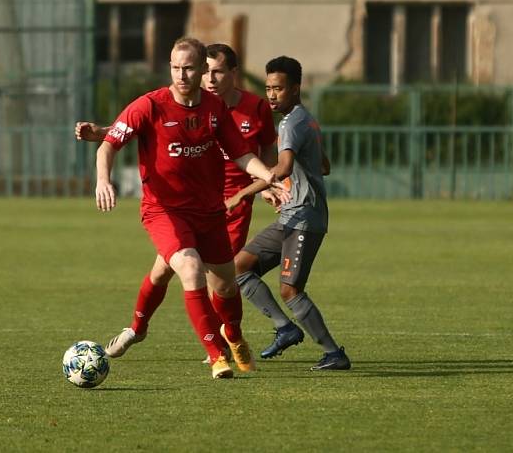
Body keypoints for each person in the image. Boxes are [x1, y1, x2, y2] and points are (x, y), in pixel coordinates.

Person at [76, 43, 295, 362]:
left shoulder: (215, 108)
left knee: (222, 285)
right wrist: (102, 179)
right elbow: (109, 145)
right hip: (164, 211)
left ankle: (226, 334)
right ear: (170, 67)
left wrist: (268, 176)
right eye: (176, 68)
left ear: (202, 71)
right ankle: (216, 354)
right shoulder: (149, 105)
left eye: (189, 68)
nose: (182, 74)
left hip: (210, 211)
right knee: (190, 270)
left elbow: (242, 153)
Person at [225, 55, 351, 370]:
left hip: (304, 219)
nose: (271, 94)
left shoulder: (291, 122)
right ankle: (285, 328)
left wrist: (242, 193)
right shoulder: (305, 119)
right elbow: (325, 165)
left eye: (278, 88)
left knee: (290, 288)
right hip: (291, 215)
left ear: (295, 89)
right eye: (268, 88)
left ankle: (333, 353)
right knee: (239, 267)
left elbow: (282, 167)